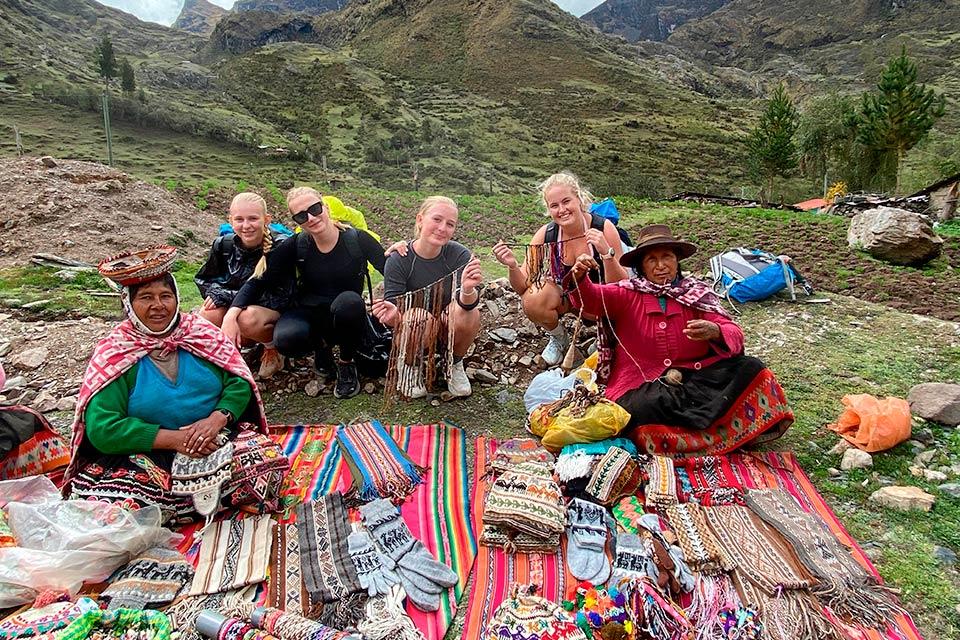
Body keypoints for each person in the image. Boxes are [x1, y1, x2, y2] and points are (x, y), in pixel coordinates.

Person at [63, 246, 268, 522]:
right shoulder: (116, 352)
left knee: (266, 465)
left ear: (176, 299)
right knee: (114, 507)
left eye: (165, 296)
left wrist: (217, 420)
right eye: (146, 298)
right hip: (146, 456)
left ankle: (177, 511)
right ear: (129, 305)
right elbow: (102, 428)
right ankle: (201, 504)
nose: (158, 306)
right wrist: (174, 440)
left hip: (215, 440)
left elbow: (238, 382)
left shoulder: (200, 334)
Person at [567, 224, 793, 456]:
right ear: (641, 267)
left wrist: (715, 330)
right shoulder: (626, 293)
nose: (661, 265)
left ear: (677, 261)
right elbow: (591, 299)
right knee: (639, 409)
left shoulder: (695, 293)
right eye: (652, 260)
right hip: (645, 385)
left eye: (667, 257)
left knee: (752, 368)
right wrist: (580, 277)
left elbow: (733, 332)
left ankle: (699, 438)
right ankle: (708, 437)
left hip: (694, 379)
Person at [222, 186, 387, 400]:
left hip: (348, 314)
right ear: (296, 221)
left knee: (349, 302)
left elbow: (389, 268)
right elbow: (261, 279)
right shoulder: (297, 245)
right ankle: (322, 349)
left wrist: (406, 249)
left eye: (315, 209)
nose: (310, 218)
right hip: (311, 313)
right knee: (286, 338)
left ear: (325, 207)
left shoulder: (357, 239)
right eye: (301, 215)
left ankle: (347, 362)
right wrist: (232, 313)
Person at [492, 172, 627, 367]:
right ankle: (559, 338)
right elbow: (523, 287)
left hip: (603, 302)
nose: (562, 210)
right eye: (554, 206)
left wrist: (606, 253)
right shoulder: (547, 234)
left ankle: (606, 335)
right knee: (533, 298)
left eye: (566, 201)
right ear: (548, 209)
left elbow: (622, 285)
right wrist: (512, 265)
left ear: (579, 199)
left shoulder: (603, 228)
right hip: (570, 299)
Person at [372, 196, 483, 398]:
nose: (442, 228)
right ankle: (410, 364)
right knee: (418, 318)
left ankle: (454, 363)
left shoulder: (459, 255)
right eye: (437, 219)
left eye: (450, 224)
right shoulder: (400, 259)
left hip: (447, 328)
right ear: (420, 219)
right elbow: (396, 316)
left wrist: (467, 289)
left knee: (471, 313)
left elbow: (467, 304)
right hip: (414, 331)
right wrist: (393, 317)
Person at [195, 192, 292, 379]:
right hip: (237, 308)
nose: (246, 226)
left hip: (269, 313)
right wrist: (220, 296)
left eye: (253, 219)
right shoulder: (223, 246)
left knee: (247, 318)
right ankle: (226, 353)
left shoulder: (280, 247)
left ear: (267, 220)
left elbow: (282, 295)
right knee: (206, 314)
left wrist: (232, 304)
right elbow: (203, 279)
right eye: (239, 219)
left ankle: (272, 348)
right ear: (230, 220)